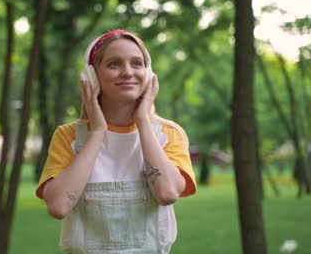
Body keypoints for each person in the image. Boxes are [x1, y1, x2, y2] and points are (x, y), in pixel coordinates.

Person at [35, 29, 196, 253]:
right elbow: (59, 206)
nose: (128, 72)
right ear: (91, 77)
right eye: (114, 64)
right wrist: (98, 131)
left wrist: (142, 120)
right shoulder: (68, 137)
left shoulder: (168, 134)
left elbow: (167, 193)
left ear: (148, 74)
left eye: (137, 63)